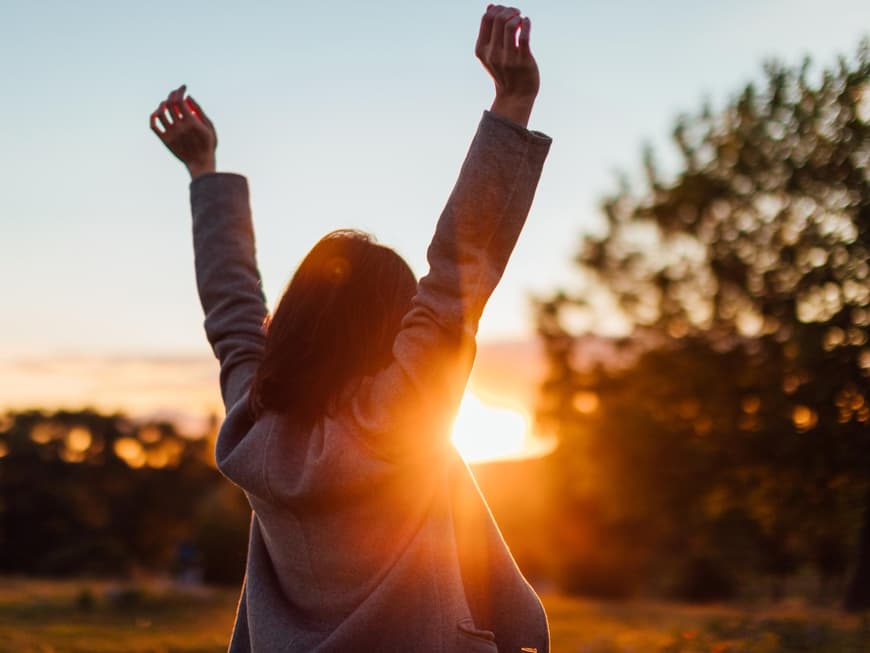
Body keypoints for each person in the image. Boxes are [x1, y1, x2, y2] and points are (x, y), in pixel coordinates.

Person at [150, 5, 551, 652]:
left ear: (292, 326)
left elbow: (232, 317)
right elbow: (456, 278)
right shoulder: (398, 416)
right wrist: (512, 102)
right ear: (390, 332)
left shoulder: (254, 430)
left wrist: (205, 173)